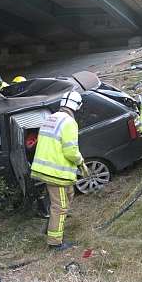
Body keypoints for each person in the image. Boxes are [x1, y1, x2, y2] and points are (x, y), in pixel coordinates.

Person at [31, 91, 89, 251]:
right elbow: (70, 151)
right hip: (55, 172)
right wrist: (81, 163)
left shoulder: (50, 118)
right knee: (60, 206)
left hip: (44, 168)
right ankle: (55, 242)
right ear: (77, 107)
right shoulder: (69, 122)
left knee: (69, 194)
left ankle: (50, 225)